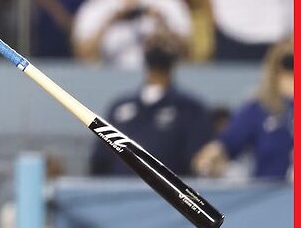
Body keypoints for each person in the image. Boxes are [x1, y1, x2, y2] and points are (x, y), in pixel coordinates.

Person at [88, 30, 214, 177]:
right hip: (122, 195)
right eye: (153, 39)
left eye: (166, 39)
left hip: (166, 195)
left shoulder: (191, 109)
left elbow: (199, 166)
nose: (159, 42)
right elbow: (99, 163)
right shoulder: (119, 108)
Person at [193, 38, 294, 181]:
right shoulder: (259, 108)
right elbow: (226, 144)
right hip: (271, 195)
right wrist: (210, 158)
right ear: (276, 69)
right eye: (289, 64)